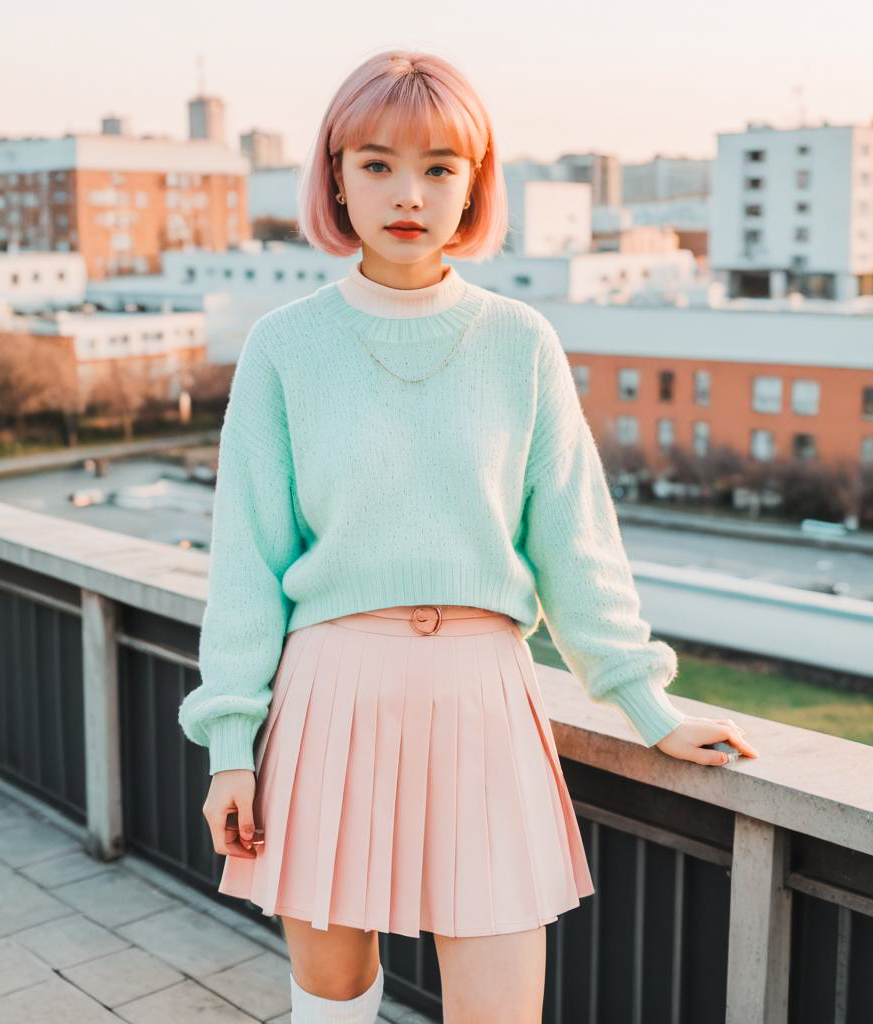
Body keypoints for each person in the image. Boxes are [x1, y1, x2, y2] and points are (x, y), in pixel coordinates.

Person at [177, 48, 760, 1024]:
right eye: (377, 163)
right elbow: (247, 563)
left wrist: (646, 705)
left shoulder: (519, 339)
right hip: (330, 696)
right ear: (333, 177)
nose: (409, 192)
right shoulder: (285, 344)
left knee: (500, 1009)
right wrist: (229, 743)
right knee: (332, 999)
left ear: (476, 183)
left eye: (441, 166)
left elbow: (575, 543)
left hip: (485, 700)